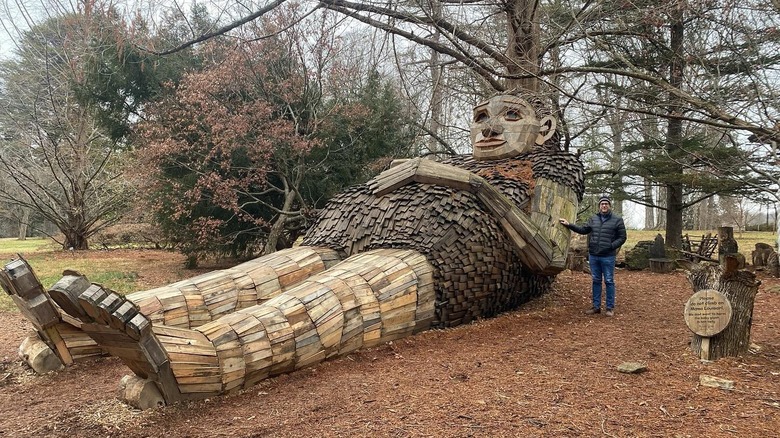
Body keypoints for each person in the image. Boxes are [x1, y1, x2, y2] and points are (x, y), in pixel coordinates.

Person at [2, 90, 584, 407]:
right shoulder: (448, 162)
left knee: (336, 300)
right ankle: (83, 326)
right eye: (482, 116)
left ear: (547, 128)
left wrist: (471, 184)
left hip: (438, 261)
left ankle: (205, 359)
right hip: (351, 230)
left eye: (511, 116)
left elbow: (549, 257)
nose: (489, 127)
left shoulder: (551, 174)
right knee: (258, 275)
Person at [559, 196, 626, 317]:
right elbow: (584, 230)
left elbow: (622, 237)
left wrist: (611, 246)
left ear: (609, 206)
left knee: (609, 281)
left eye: (606, 204)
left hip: (608, 256)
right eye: (602, 204)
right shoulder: (593, 219)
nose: (604, 206)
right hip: (594, 255)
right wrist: (569, 225)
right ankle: (596, 307)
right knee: (596, 280)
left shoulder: (617, 220)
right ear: (599, 206)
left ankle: (609, 308)